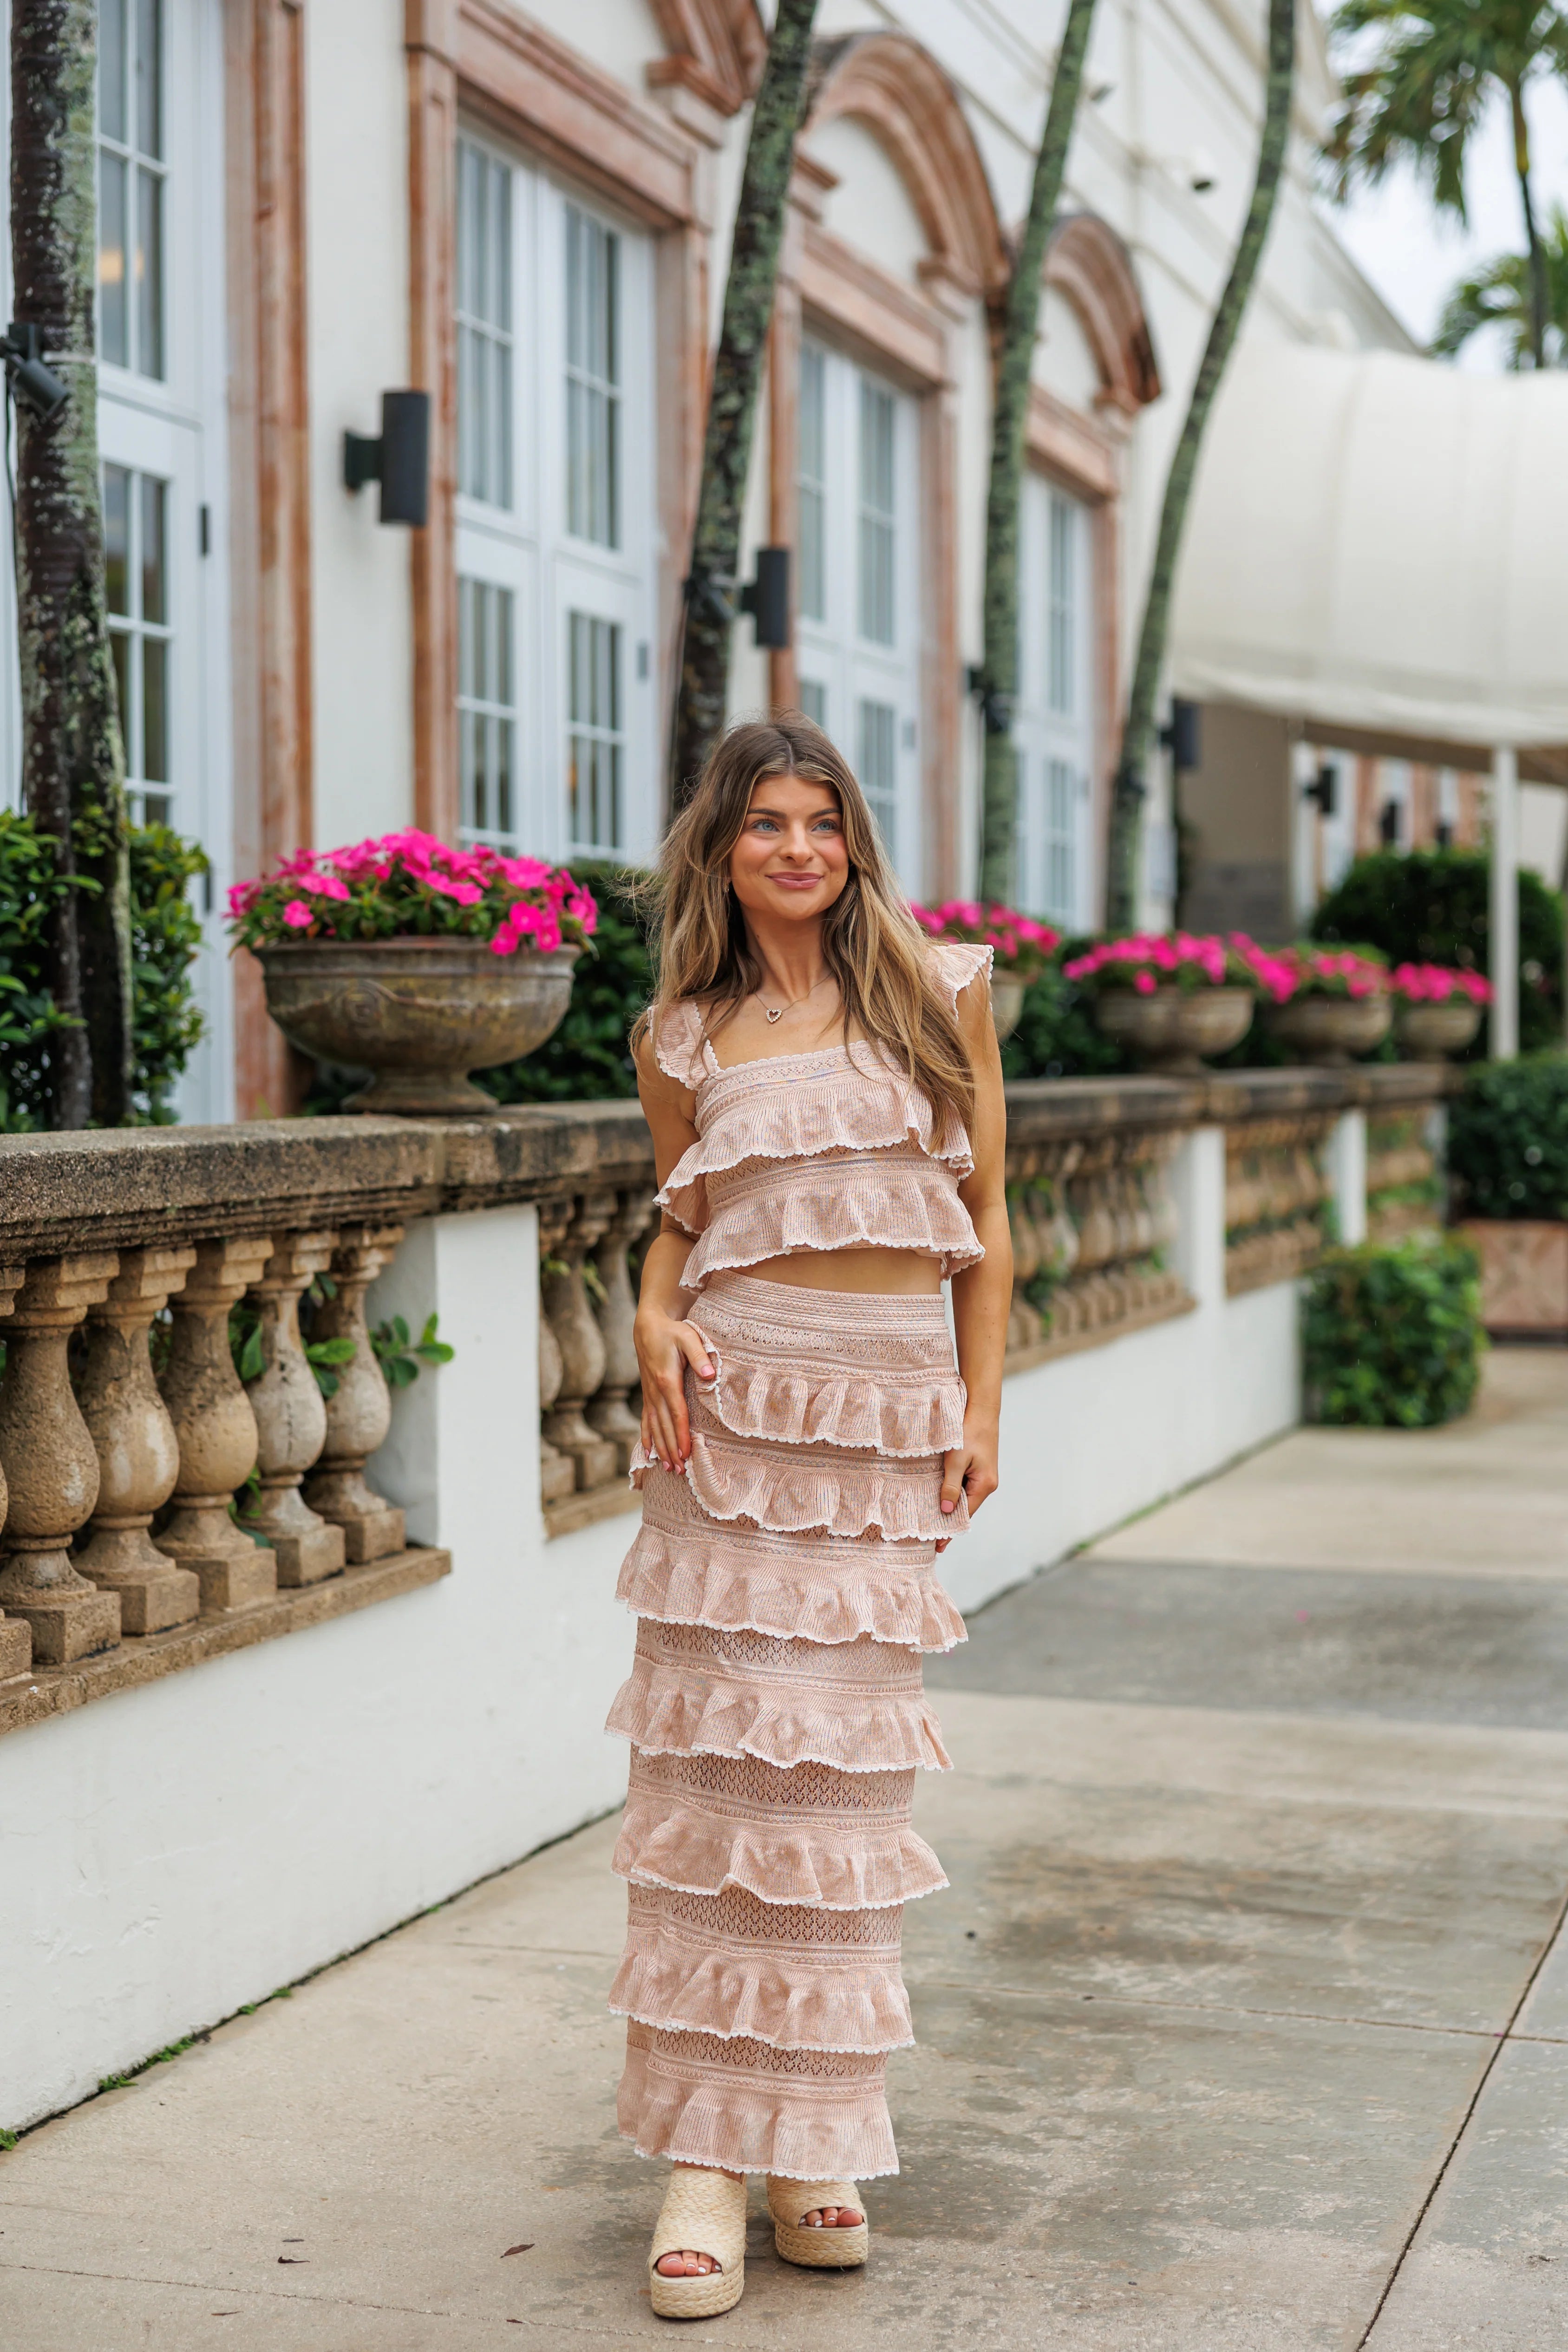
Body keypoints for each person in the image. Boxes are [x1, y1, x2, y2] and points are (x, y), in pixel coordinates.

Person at [605, 713, 1011, 2319]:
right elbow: (675, 1226)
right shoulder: (679, 1037)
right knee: (715, 1788)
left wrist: (982, 1410)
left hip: (882, 1425)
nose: (796, 847)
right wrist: (647, 1317)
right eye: (764, 822)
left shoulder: (943, 989)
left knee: (835, 1802)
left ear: (854, 841)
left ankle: (816, 2145)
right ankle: (704, 2158)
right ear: (719, 847)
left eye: (822, 820)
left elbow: (987, 1215)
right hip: (730, 1424)